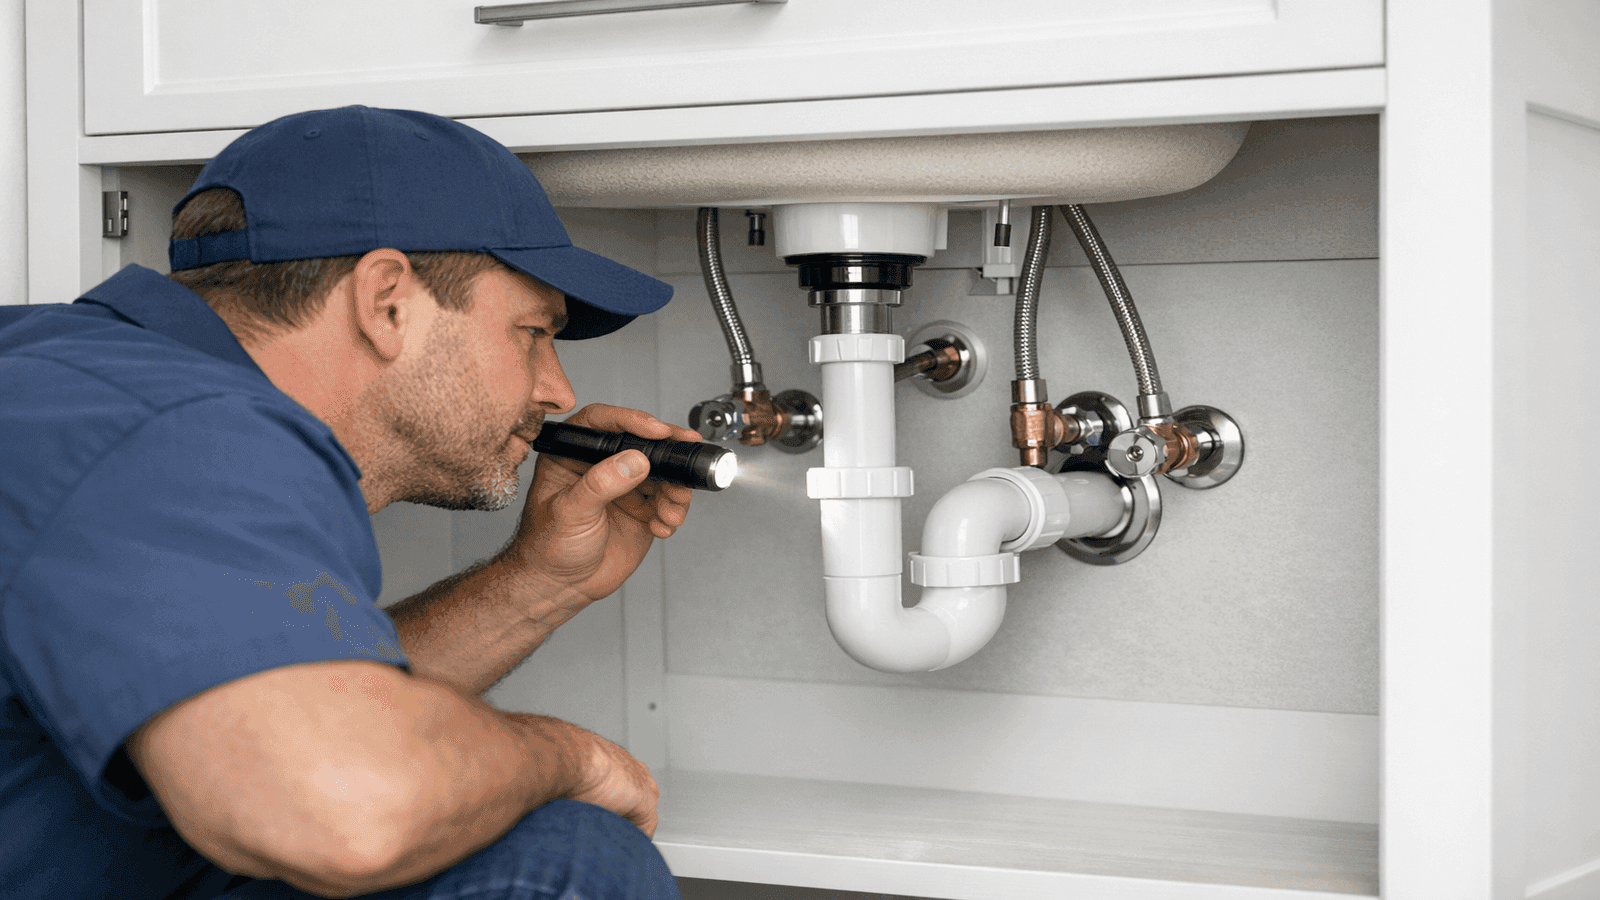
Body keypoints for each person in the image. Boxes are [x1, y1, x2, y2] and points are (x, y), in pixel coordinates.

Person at [0, 106, 695, 899]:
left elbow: (284, 720)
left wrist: (543, 580)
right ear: (387, 299)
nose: (556, 390)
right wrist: (574, 759)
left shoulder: (92, 383)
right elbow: (340, 807)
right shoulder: (173, 428)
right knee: (565, 856)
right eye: (533, 331)